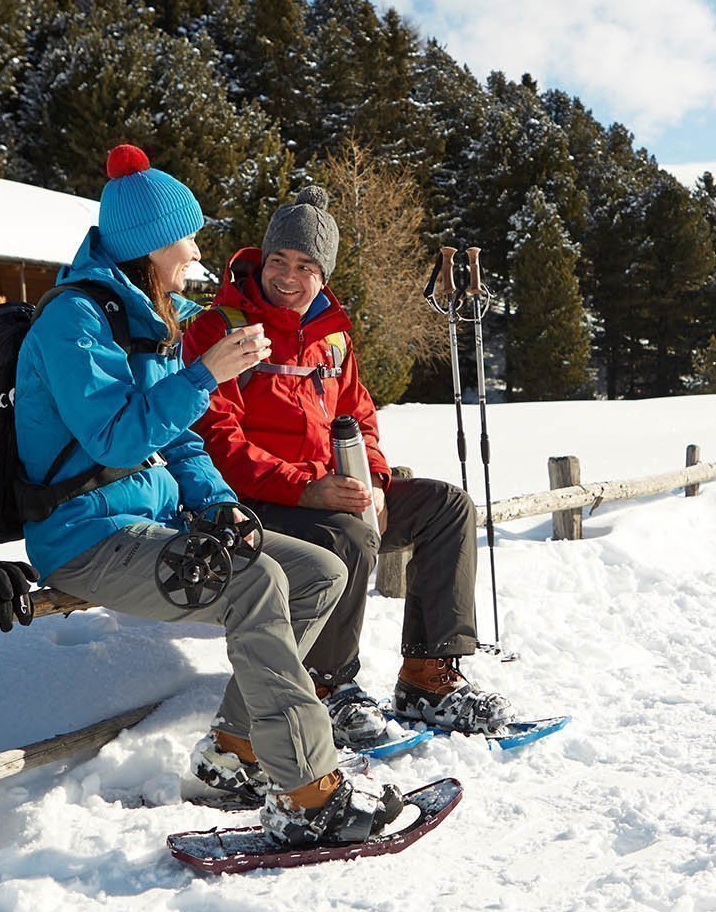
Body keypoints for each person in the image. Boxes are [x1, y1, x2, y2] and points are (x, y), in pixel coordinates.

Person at [13, 145, 402, 847]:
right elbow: (116, 439)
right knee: (254, 583)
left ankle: (237, 751)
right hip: (87, 538)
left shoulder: (149, 315)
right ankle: (308, 790)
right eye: (187, 235)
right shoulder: (76, 323)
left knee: (320, 572)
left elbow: (184, 440)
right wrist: (204, 373)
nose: (198, 248)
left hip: (152, 521)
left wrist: (222, 505)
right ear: (154, 244)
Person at [182, 186, 513, 750]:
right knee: (350, 531)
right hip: (249, 502)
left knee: (447, 506)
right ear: (263, 259)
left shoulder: (332, 337)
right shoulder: (220, 328)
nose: (288, 276)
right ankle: (327, 684)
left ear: (324, 273)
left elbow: (359, 415)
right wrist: (309, 489)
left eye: (306, 265)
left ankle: (427, 677)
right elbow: (218, 441)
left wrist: (377, 481)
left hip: (327, 489)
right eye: (279, 261)